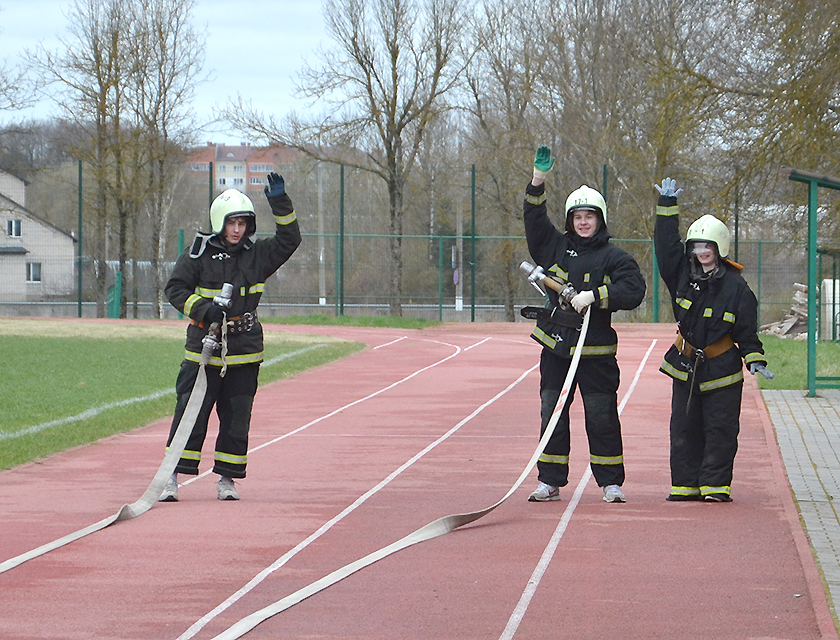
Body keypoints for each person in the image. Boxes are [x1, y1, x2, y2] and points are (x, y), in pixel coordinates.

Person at [159, 172, 301, 502]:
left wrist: (279, 203)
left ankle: (227, 479)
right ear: (218, 222)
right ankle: (171, 478)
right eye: (231, 223)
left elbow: (290, 240)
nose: (237, 230)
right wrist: (202, 310)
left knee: (237, 418)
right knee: (190, 413)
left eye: (242, 223)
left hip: (244, 347)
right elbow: (174, 289)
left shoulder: (259, 255)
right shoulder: (198, 254)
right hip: (203, 349)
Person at [523, 145, 646, 503]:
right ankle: (549, 481)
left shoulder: (615, 257)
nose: (583, 222)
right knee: (552, 412)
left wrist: (595, 295)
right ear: (569, 220)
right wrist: (538, 181)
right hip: (557, 349)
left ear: (600, 219)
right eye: (577, 216)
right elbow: (533, 222)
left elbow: (634, 289)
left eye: (589, 216)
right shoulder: (555, 248)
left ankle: (611, 482)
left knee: (602, 415)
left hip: (596, 354)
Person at [654, 177, 771, 502]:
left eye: (707, 247)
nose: (701, 252)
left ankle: (716, 487)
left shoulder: (737, 288)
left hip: (722, 371)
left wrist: (755, 358)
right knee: (683, 430)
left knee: (720, 431)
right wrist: (667, 209)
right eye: (696, 246)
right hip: (685, 367)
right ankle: (685, 485)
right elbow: (665, 248)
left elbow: (747, 333)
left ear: (720, 248)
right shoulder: (681, 274)